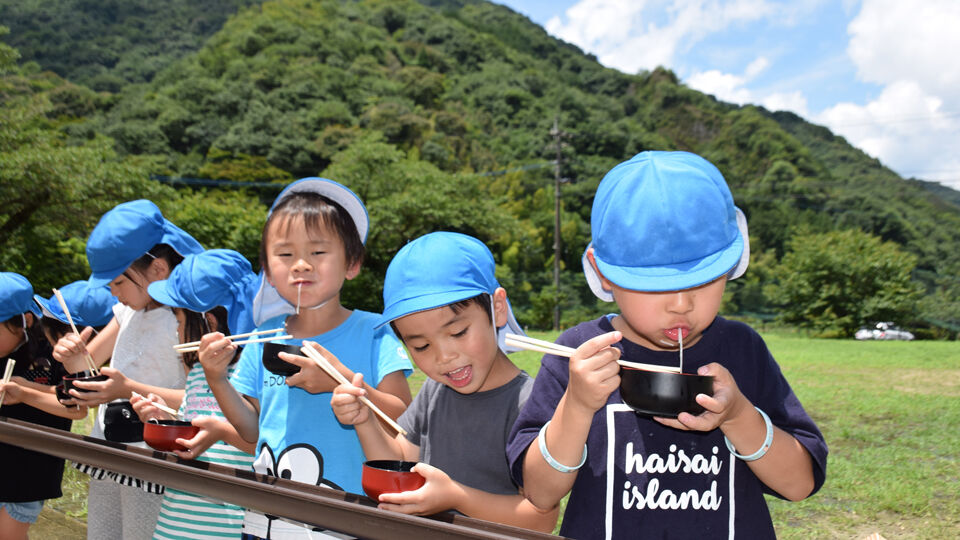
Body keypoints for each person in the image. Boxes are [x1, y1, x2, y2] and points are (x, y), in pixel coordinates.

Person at [506, 151, 828, 539]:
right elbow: (539, 494)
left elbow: (799, 484)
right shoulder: (578, 353)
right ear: (602, 274)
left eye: (703, 280)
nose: (681, 304)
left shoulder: (742, 349)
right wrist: (577, 406)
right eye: (652, 285)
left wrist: (737, 414)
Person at [200, 178, 413, 539]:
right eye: (285, 255)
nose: (301, 265)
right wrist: (216, 378)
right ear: (267, 270)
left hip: (346, 516)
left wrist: (339, 382)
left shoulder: (375, 331)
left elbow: (403, 418)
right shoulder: (263, 334)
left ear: (352, 263)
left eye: (318, 253)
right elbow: (251, 431)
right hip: (267, 516)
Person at [330, 232, 558, 532]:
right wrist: (364, 420)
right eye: (421, 346)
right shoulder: (435, 391)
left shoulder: (528, 403)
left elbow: (541, 518)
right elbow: (399, 461)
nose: (444, 357)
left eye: (458, 332)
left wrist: (455, 497)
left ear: (497, 308)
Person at [52, 199, 204, 540]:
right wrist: (71, 356)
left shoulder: (185, 319)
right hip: (109, 448)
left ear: (159, 270)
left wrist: (127, 389)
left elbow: (201, 399)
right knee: (101, 534)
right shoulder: (126, 313)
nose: (113, 292)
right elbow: (86, 366)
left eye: (119, 282)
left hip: (154, 459)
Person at [132, 248, 258, 540]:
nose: (176, 330)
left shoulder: (252, 372)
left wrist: (221, 432)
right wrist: (164, 417)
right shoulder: (199, 373)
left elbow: (264, 443)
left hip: (224, 528)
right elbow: (195, 430)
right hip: (175, 519)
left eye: (177, 320)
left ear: (209, 324)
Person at [0, 273, 87, 540]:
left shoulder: (55, 348)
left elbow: (77, 407)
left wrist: (24, 394)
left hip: (27, 471)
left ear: (25, 320)